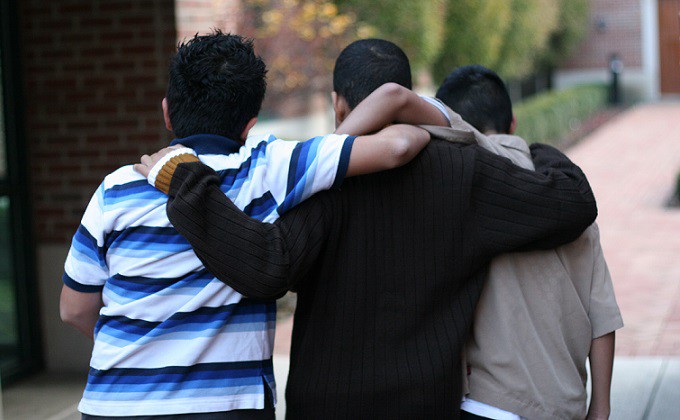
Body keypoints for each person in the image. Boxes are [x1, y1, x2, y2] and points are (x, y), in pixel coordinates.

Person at [138, 40, 599, 418]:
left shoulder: (319, 184)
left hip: (326, 404)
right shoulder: (464, 172)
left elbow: (266, 263)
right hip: (426, 405)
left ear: (338, 104)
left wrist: (185, 184)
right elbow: (574, 204)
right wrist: (540, 150)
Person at [59, 32, 438, 419]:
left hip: (113, 403)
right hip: (227, 407)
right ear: (249, 124)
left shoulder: (116, 189)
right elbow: (398, 146)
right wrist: (330, 147)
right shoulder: (271, 167)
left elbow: (74, 309)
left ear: (167, 111)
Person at [436, 65, 623, 420]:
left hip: (485, 403)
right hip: (562, 405)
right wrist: (600, 408)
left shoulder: (457, 194)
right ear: (513, 123)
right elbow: (603, 317)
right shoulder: (571, 199)